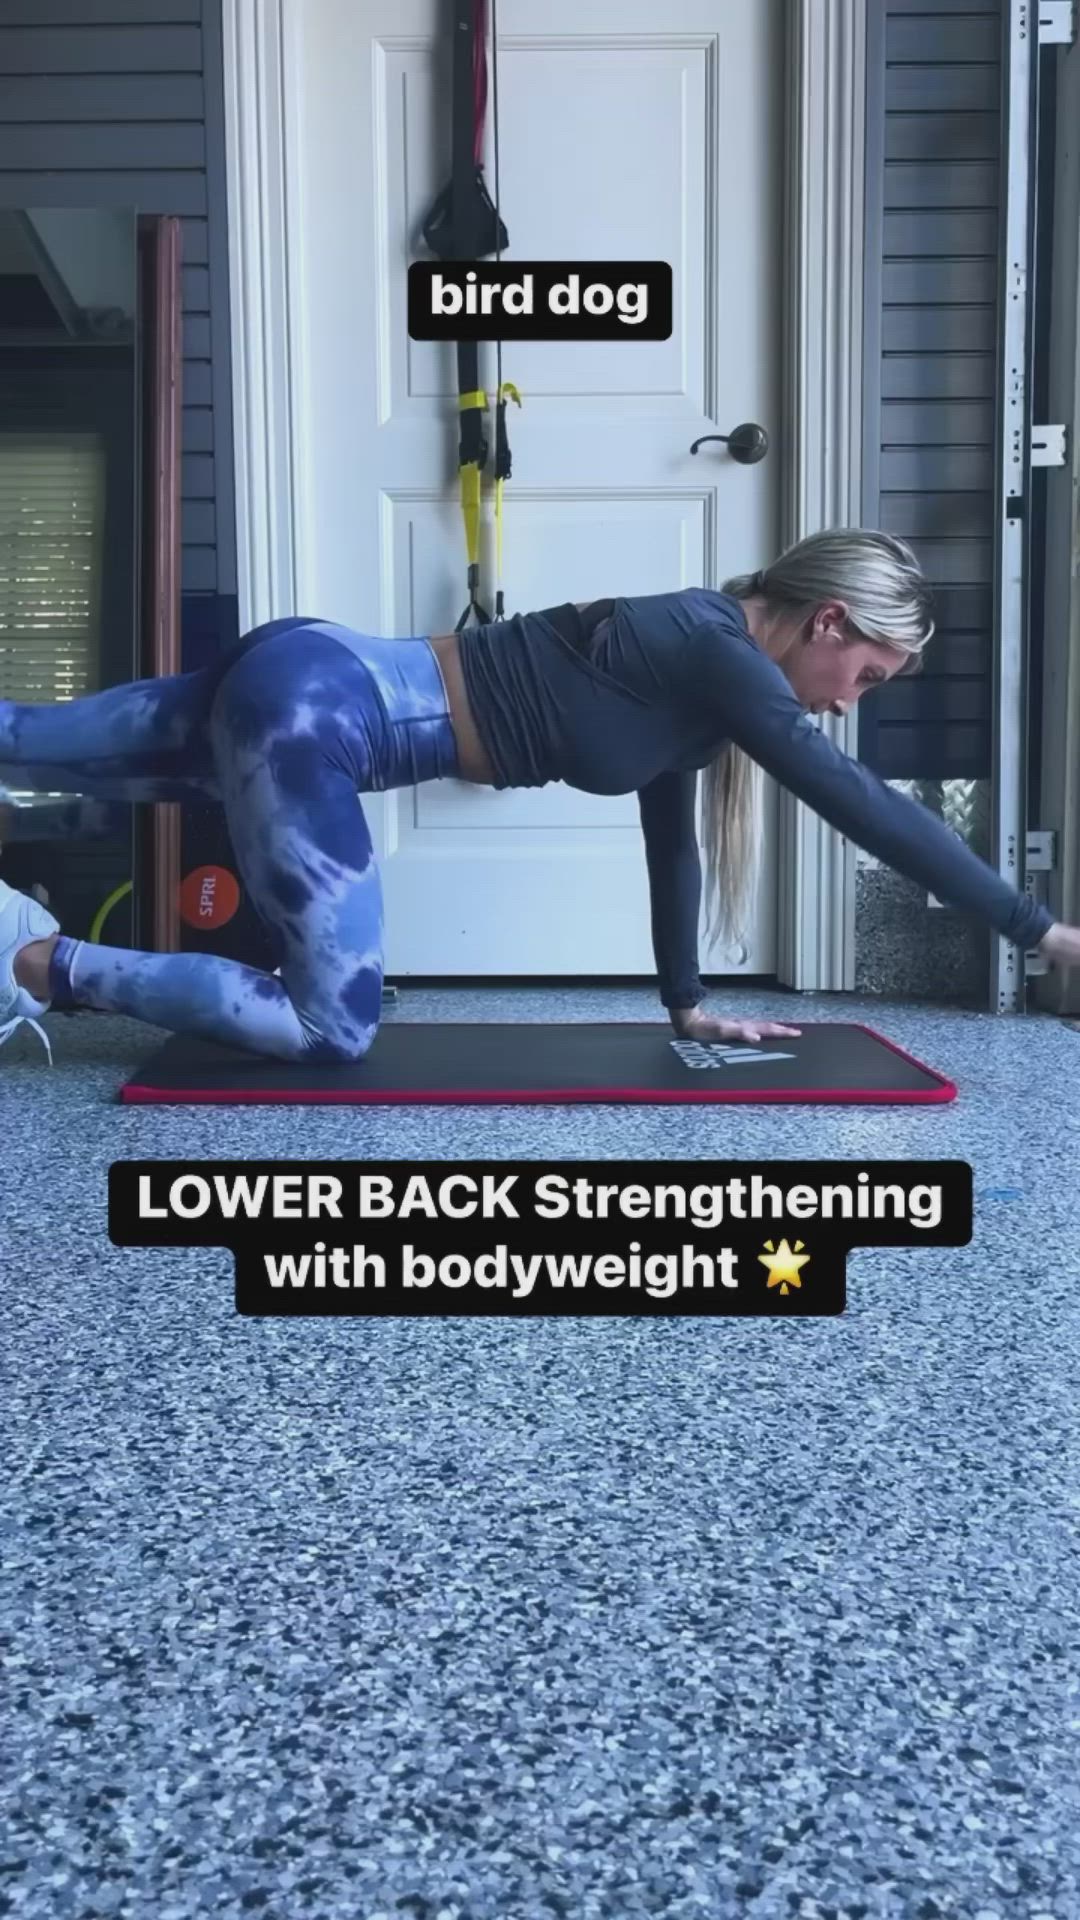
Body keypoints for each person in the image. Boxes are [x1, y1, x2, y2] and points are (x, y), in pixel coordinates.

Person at [0, 526, 1076, 1065]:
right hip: (317, 719)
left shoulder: (708, 676)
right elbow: (859, 803)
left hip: (311, 676)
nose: (851, 706)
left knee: (32, 745)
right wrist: (1039, 929)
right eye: (868, 679)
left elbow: (674, 840)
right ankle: (42, 963)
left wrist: (685, 1000)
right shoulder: (716, 650)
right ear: (831, 622)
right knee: (333, 1027)